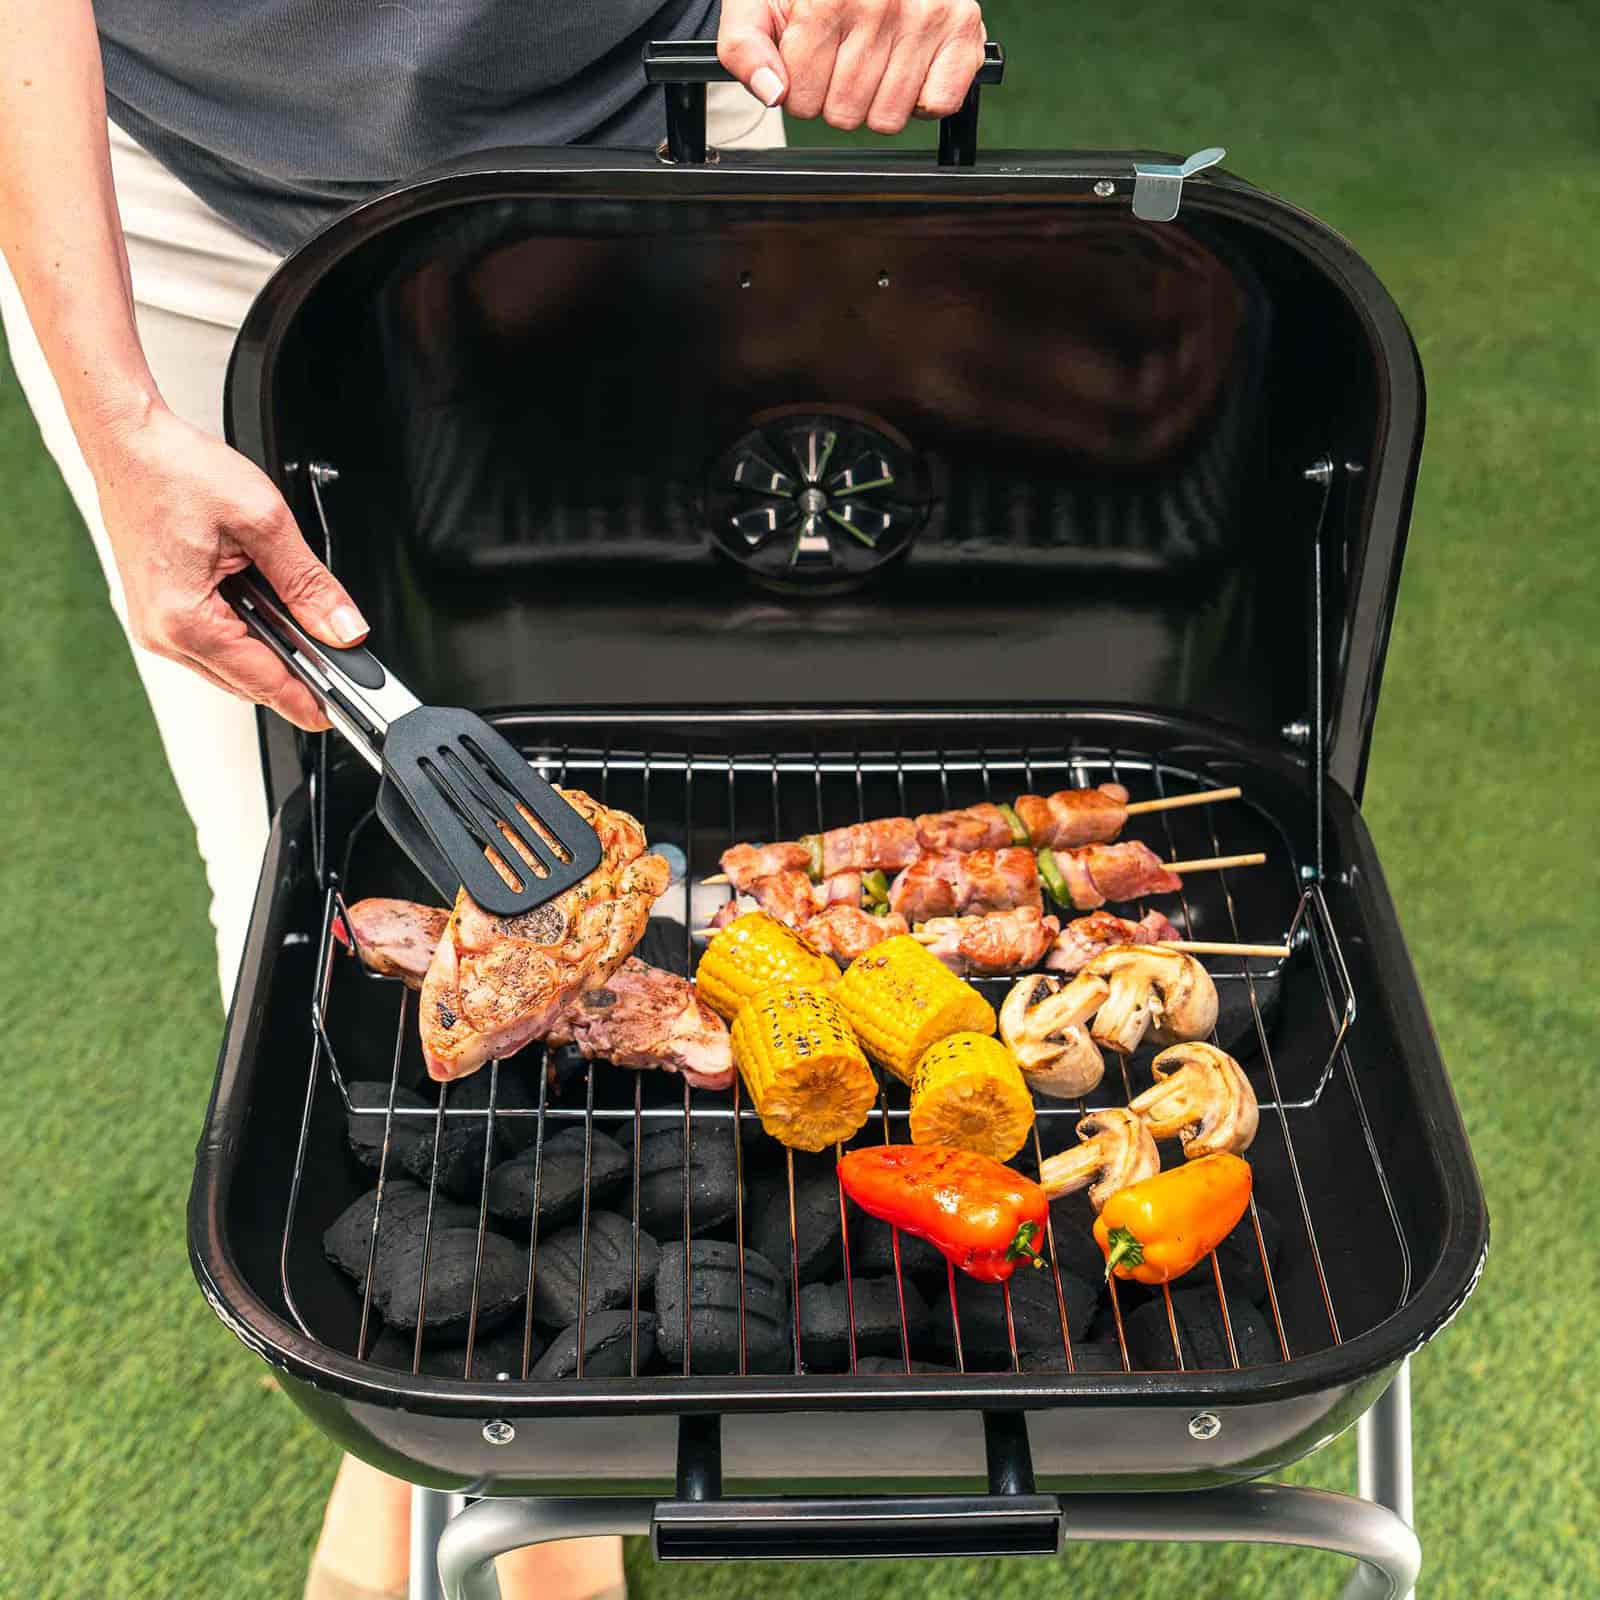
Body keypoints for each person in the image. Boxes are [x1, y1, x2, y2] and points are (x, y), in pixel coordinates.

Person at [0, 4, 987, 1597]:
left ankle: (531, 1445)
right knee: (284, 855)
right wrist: (118, 423)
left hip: (644, 123)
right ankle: (447, 1418)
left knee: (663, 758)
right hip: (170, 183)